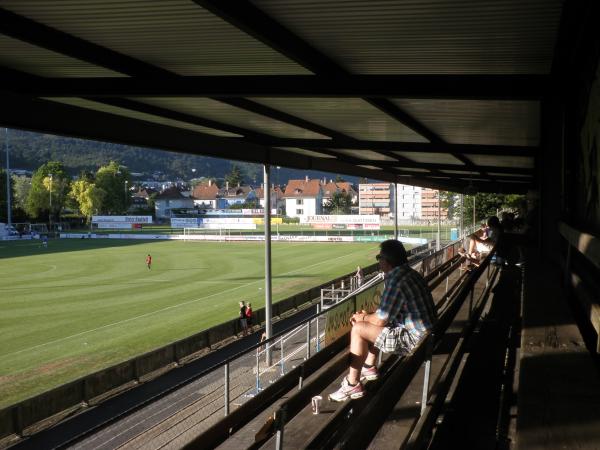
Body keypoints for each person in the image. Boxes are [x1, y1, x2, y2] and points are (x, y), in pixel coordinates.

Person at [329, 240, 437, 402]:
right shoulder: (409, 273)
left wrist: (362, 318)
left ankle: (352, 384)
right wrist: (368, 316)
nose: (379, 261)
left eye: (379, 257)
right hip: (428, 336)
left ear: (386, 261)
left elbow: (380, 321)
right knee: (369, 323)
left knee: (358, 329)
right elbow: (386, 314)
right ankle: (369, 367)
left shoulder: (396, 279)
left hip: (417, 341)